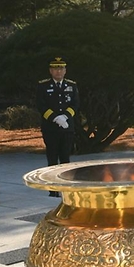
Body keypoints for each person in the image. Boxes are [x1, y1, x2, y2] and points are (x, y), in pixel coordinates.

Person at [36, 57, 80, 196]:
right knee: (52, 158)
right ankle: (53, 189)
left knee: (65, 158)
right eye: (55, 68)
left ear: (65, 71)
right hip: (51, 128)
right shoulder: (43, 86)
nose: (58, 71)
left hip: (67, 127)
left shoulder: (71, 85)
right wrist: (55, 118)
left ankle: (66, 187)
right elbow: (41, 105)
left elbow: (75, 104)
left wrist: (65, 116)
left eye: (61, 68)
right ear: (51, 71)